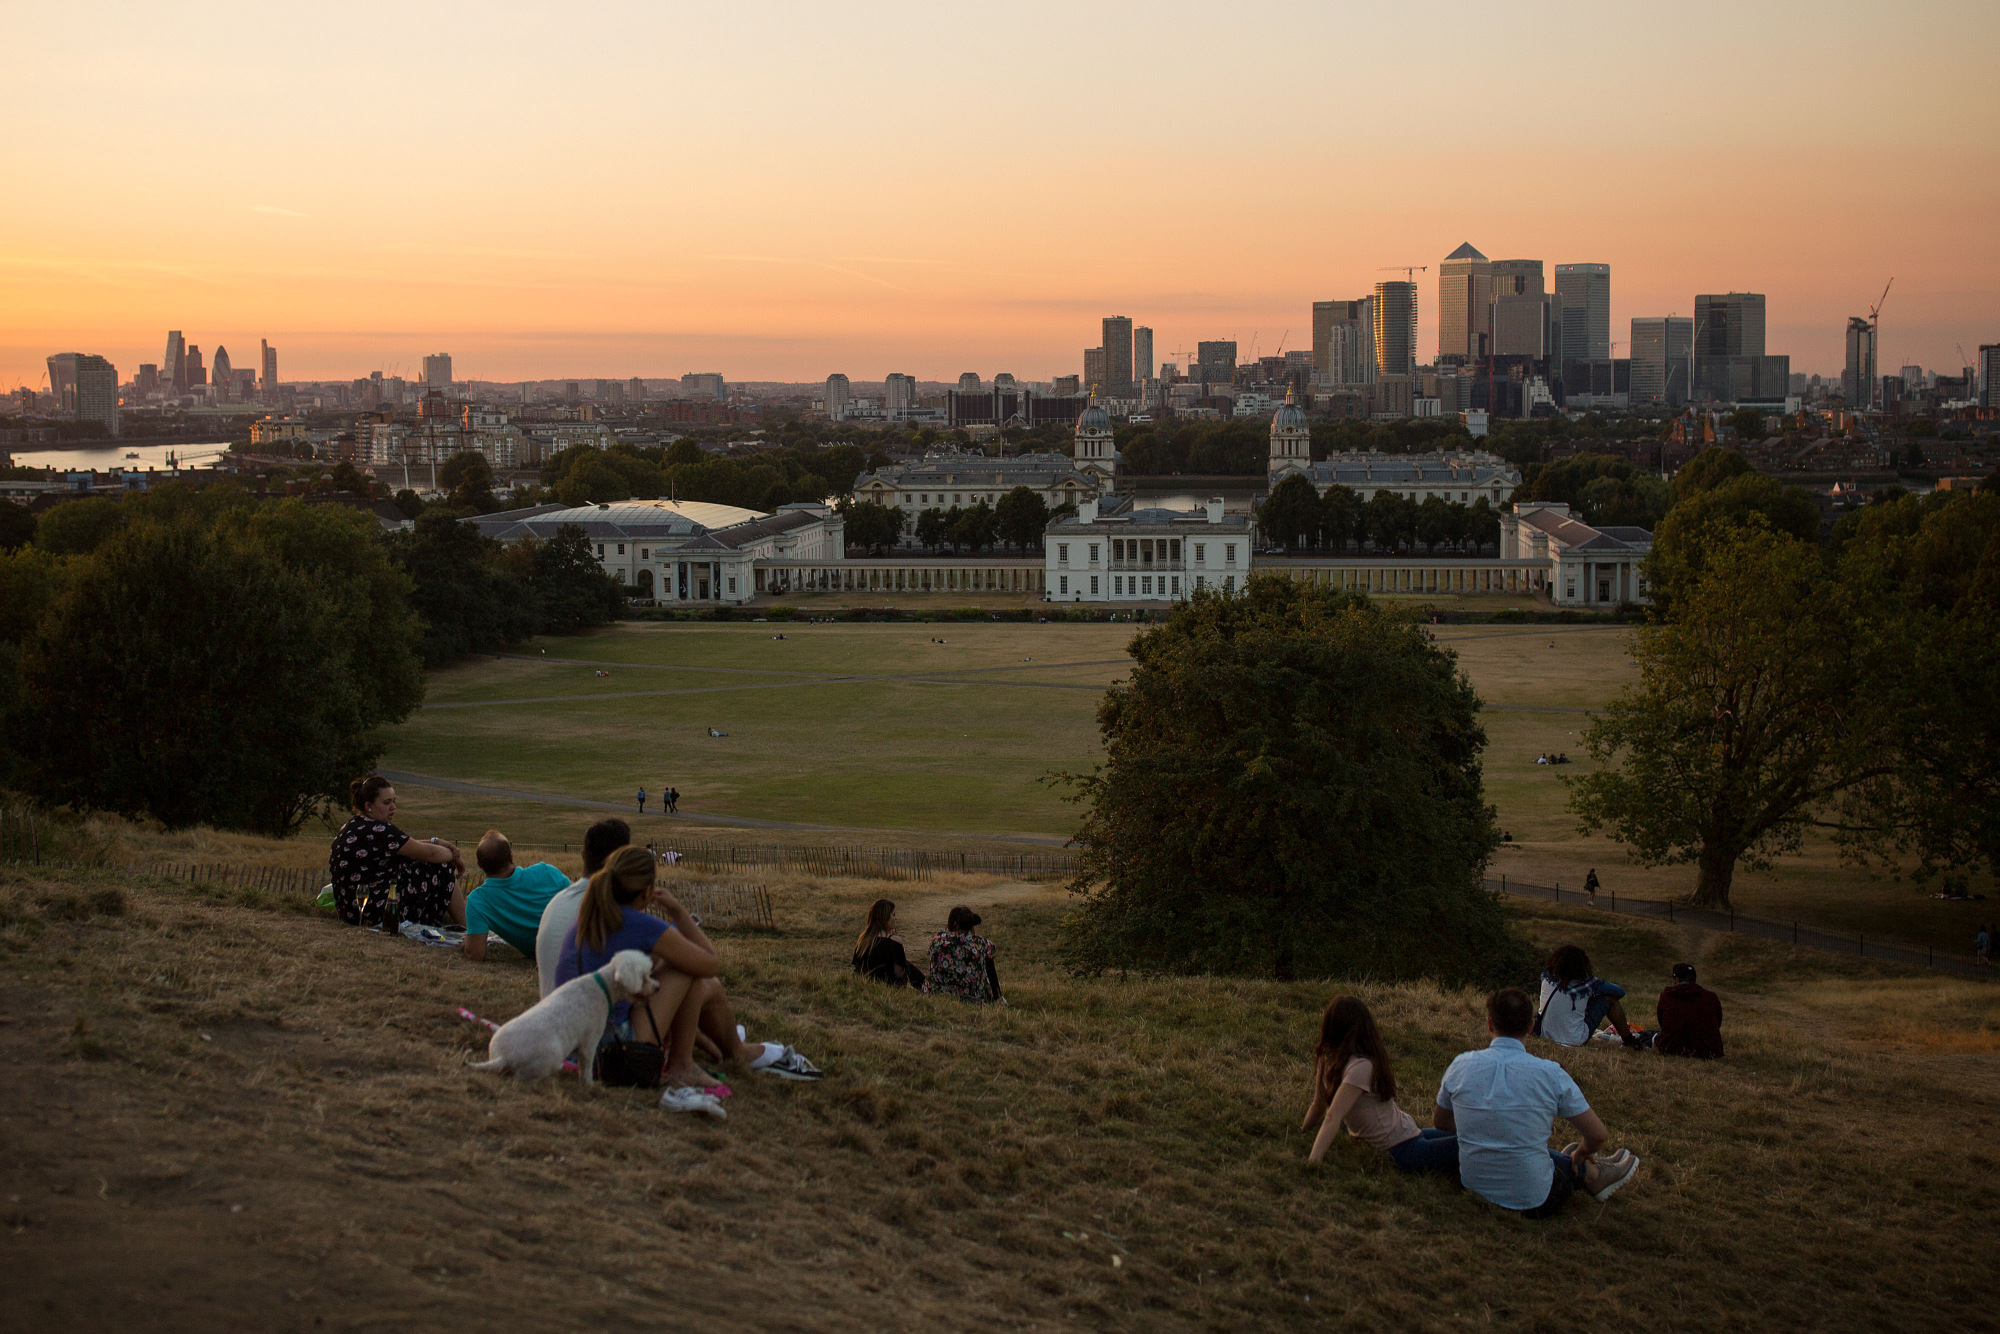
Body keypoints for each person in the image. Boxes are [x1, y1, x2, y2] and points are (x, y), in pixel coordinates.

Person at [552, 846, 820, 1107]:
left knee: (686, 976)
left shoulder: (590, 919)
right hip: (612, 1045)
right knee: (687, 970)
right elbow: (709, 963)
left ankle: (724, 1048)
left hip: (572, 1040)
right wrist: (677, 911)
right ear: (647, 891)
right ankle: (684, 1064)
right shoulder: (638, 923)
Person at [1435, 988, 1641, 1217]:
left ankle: (1587, 1168)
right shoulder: (1549, 1073)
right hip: (1535, 1202)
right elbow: (1598, 1135)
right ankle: (1588, 1171)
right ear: (1531, 1026)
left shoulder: (1461, 1065)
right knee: (1551, 1159)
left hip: (1474, 1189)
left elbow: (1441, 1123)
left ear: (1489, 1024)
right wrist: (1582, 1153)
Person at [1302, 996, 1457, 1175]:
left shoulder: (1327, 1058)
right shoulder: (1361, 1066)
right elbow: (1331, 1115)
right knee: (1471, 1145)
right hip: (1401, 1149)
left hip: (1408, 1134)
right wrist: (1313, 1161)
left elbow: (1318, 1106)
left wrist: (1303, 1131)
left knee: (1467, 1138)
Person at [327, 775, 463, 928]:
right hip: (376, 912)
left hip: (350, 910)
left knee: (413, 862)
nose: (393, 807)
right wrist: (453, 855)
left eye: (394, 801)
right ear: (368, 806)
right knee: (442, 869)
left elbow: (407, 845)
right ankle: (468, 928)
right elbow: (430, 854)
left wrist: (435, 842)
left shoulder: (353, 826)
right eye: (386, 803)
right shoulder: (380, 831)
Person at [536, 818, 632, 998]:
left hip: (551, 1010)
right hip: (589, 1017)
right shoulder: (613, 908)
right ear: (623, 861)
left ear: (583, 855)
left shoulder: (557, 901)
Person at [462, 831, 570, 963]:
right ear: (511, 858)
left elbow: (476, 954)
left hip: (553, 954)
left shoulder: (478, 901)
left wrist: (468, 942)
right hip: (582, 940)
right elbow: (578, 899)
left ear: (479, 864)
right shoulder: (546, 872)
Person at [1537, 944, 1644, 1049]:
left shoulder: (1546, 978)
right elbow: (1620, 992)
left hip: (1545, 1034)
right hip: (1575, 1039)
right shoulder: (1588, 984)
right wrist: (1593, 992)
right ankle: (1629, 1040)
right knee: (1610, 1000)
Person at [922, 906, 1002, 1003]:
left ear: (955, 923)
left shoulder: (939, 939)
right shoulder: (980, 943)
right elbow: (993, 949)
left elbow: (930, 951)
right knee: (988, 959)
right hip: (971, 996)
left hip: (935, 993)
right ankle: (998, 997)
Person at [1652, 962, 1724, 1058]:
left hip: (1672, 1049)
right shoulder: (1711, 997)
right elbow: (1717, 1022)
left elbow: (1662, 1022)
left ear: (1676, 980)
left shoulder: (1666, 996)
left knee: (1650, 1036)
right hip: (1709, 1051)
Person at [852, 899, 924, 988]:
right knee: (906, 964)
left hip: (863, 984)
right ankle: (925, 986)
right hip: (887, 986)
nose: (895, 918)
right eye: (893, 915)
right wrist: (898, 945)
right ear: (885, 918)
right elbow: (899, 973)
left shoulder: (863, 939)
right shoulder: (893, 941)